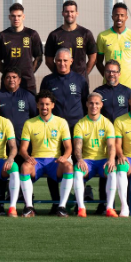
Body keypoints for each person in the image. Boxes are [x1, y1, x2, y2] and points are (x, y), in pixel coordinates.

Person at [40, 48, 89, 212]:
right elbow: (44, 104)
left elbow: (85, 103)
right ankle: (57, 202)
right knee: (54, 163)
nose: (62, 63)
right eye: (59, 60)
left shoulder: (80, 80)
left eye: (65, 60)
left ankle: (77, 201)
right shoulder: (48, 80)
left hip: (76, 130)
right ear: (54, 61)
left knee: (78, 165)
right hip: (54, 130)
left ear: (71, 61)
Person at [18, 90, 72, 218]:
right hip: (37, 161)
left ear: (52, 105)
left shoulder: (61, 122)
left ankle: (62, 207)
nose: (44, 107)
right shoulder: (29, 123)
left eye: (47, 104)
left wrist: (64, 157)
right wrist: (27, 157)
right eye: (41, 104)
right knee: (24, 167)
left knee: (69, 167)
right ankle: (29, 207)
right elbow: (23, 149)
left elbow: (69, 147)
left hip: (54, 161)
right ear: (37, 105)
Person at [0, 67, 37, 214]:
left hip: (24, 145)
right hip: (3, 145)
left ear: (19, 80)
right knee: (1, 174)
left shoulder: (28, 96)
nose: (11, 80)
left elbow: (34, 118)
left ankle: (28, 204)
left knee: (24, 172)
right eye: (8, 77)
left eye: (14, 77)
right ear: (4, 80)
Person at [92, 59, 131, 213]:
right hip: (104, 137)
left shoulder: (127, 92)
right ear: (104, 73)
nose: (112, 74)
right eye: (109, 71)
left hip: (123, 138)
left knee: (123, 168)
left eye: (114, 71)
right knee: (106, 167)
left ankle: (125, 204)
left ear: (119, 74)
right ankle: (104, 204)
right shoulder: (98, 92)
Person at [72, 93, 117, 217]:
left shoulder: (107, 123)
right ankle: (81, 208)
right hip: (87, 161)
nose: (94, 106)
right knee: (77, 171)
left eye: (97, 103)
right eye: (91, 103)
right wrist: (80, 159)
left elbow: (111, 145)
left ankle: (109, 208)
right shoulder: (80, 124)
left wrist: (111, 160)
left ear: (101, 105)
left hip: (103, 160)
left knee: (112, 171)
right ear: (87, 104)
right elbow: (77, 146)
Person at [0, 3, 43, 94]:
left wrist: (30, 71)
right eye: (13, 16)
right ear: (9, 17)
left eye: (19, 16)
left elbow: (39, 57)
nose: (16, 19)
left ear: (23, 17)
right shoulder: (2, 36)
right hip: (8, 84)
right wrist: (8, 74)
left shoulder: (32, 34)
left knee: (30, 103)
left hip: (27, 83)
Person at [44, 0, 97, 79]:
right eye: (67, 12)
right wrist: (59, 73)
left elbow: (93, 58)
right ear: (62, 13)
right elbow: (48, 61)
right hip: (61, 80)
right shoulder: (54, 35)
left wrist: (84, 74)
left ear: (77, 13)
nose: (69, 14)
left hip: (80, 80)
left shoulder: (85, 33)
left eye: (72, 11)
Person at [96, 2, 131, 89]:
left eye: (122, 15)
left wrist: (128, 74)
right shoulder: (102, 36)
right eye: (116, 15)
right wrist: (108, 76)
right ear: (112, 17)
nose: (119, 18)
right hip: (109, 85)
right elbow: (98, 62)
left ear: (126, 17)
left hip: (129, 85)